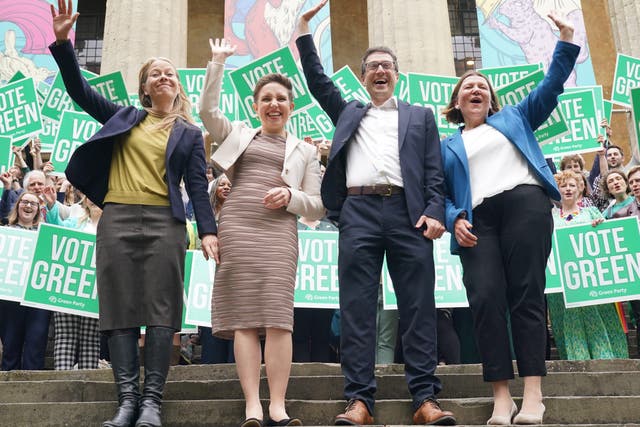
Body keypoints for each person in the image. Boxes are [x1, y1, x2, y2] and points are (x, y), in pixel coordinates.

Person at [49, 2, 218, 427]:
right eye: (155, 73)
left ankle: (152, 403)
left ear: (178, 87)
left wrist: (209, 232)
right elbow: (78, 91)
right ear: (144, 89)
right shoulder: (125, 117)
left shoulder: (190, 134)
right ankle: (127, 400)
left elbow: (198, 185)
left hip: (166, 223)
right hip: (118, 220)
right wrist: (63, 42)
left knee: (162, 312)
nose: (164, 77)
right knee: (120, 308)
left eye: (170, 73)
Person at [296, 2, 454, 425]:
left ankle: (425, 398)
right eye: (371, 67)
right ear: (363, 77)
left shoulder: (420, 117)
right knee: (357, 307)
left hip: (410, 214)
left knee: (419, 306)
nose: (379, 72)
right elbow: (316, 80)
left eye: (386, 66)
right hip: (359, 211)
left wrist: (436, 211)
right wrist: (303, 31)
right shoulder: (348, 111)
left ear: (396, 74)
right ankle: (359, 401)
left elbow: (434, 172)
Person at [440, 12, 579, 426]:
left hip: (524, 206)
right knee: (484, 300)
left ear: (492, 98)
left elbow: (551, 86)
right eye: (468, 87)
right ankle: (502, 397)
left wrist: (566, 40)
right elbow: (441, 194)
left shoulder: (516, 118)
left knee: (527, 296)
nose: (476, 88)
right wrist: (452, 219)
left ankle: (533, 393)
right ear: (457, 103)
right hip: (478, 222)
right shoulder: (447, 145)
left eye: (482, 85)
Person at [199, 38, 324, 427]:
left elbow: (317, 205)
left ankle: (278, 405)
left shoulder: (306, 151)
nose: (274, 104)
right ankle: (253, 404)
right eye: (266, 98)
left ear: (291, 106)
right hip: (237, 228)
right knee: (244, 319)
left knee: (278, 319)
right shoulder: (237, 134)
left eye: (281, 99)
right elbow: (206, 110)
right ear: (256, 106)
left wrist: (290, 195)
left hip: (279, 234)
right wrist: (218, 62)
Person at [547, 170, 628, 360]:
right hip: (563, 286)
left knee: (599, 318)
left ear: (580, 189)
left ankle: (606, 357)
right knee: (569, 321)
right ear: (558, 189)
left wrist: (602, 226)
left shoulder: (591, 212)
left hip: (591, 282)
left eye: (572, 185)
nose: (568, 189)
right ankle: (575, 359)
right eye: (563, 185)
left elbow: (605, 242)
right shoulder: (549, 216)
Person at [42, 187, 103, 370]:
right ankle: (62, 381)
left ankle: (89, 381)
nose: (92, 199)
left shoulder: (112, 226)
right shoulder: (73, 222)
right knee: (65, 335)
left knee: (91, 337)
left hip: (96, 288)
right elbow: (55, 232)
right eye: (88, 196)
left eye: (97, 196)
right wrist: (52, 204)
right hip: (68, 286)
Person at [0, 191, 50, 371]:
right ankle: (7, 380)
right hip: (11, 296)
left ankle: (33, 380)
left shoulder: (46, 234)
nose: (28, 206)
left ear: (38, 210)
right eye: (24, 202)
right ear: (17, 205)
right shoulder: (5, 232)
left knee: (36, 341)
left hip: (37, 297)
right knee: (11, 341)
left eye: (33, 204)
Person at [200, 173, 234, 365]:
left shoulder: (240, 212)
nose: (226, 187)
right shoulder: (207, 217)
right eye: (222, 184)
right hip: (208, 281)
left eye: (230, 184)